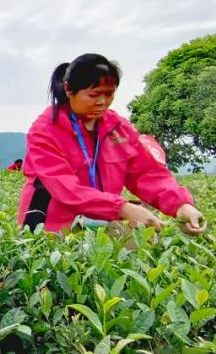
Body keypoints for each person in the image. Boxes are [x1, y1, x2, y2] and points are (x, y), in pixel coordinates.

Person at [18, 53, 205, 234]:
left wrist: (181, 206)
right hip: (53, 225)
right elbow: (65, 189)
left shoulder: (118, 128)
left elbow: (146, 173)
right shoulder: (45, 130)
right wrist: (122, 208)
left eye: (109, 94)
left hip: (103, 220)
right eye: (94, 94)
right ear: (68, 90)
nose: (102, 102)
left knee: (146, 240)